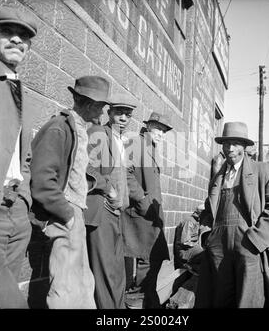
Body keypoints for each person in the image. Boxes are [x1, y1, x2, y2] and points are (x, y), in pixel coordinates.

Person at [30, 76, 110, 309]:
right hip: (65, 213)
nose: (103, 113)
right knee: (66, 287)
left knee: (83, 284)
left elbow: (72, 171)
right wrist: (66, 213)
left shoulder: (78, 128)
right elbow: (42, 178)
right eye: (101, 106)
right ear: (87, 103)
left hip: (74, 212)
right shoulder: (60, 127)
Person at [195, 121, 269, 308]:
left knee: (248, 298)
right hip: (218, 249)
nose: (230, 148)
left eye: (236, 143)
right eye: (227, 143)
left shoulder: (263, 171)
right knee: (219, 298)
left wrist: (256, 239)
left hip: (249, 245)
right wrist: (208, 235)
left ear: (245, 146)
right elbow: (209, 208)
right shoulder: (217, 177)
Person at [0, 6, 37, 309]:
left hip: (16, 209)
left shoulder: (18, 87)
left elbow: (24, 155)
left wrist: (23, 197)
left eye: (23, 36)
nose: (16, 40)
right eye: (7, 32)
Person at [85, 93, 137, 309]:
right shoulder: (100, 134)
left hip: (117, 214)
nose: (124, 118)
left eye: (128, 114)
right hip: (101, 211)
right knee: (106, 271)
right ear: (109, 113)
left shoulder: (121, 140)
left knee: (117, 270)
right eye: (119, 113)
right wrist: (110, 192)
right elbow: (87, 168)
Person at [122, 112, 172, 309]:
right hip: (140, 213)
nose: (161, 134)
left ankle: (147, 300)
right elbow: (125, 173)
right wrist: (142, 199)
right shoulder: (137, 142)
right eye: (158, 129)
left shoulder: (150, 146)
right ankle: (139, 300)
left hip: (152, 214)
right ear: (148, 126)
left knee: (155, 257)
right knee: (148, 258)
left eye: (164, 131)